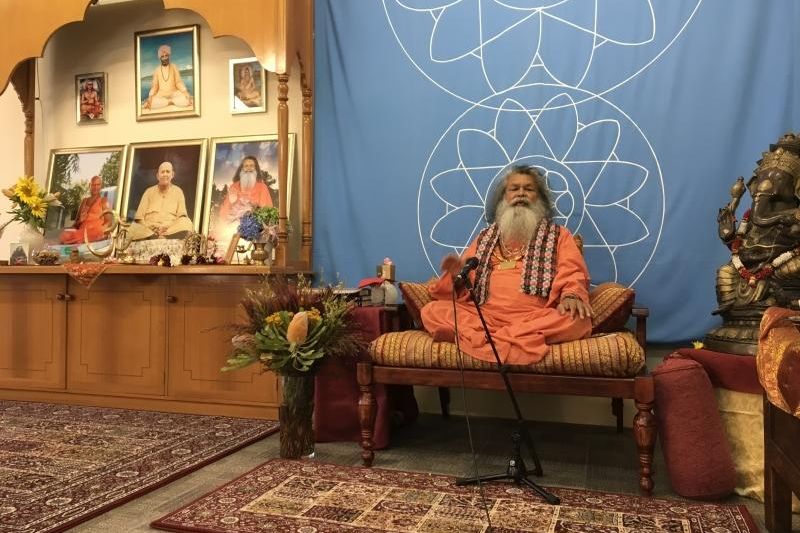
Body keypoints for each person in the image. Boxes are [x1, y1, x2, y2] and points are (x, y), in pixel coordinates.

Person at [421, 165, 593, 366]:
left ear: (540, 198)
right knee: (432, 310)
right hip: (484, 316)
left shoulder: (559, 235)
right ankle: (506, 338)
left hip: (533, 318)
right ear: (504, 197)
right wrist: (456, 275)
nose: (521, 193)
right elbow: (465, 283)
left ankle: (481, 338)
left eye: (529, 189)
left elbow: (572, 270)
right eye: (514, 188)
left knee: (578, 321)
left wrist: (571, 295)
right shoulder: (485, 237)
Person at [128, 161, 194, 240]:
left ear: (172, 175)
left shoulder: (178, 192)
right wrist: (148, 227)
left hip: (169, 230)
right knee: (133, 228)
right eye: (162, 172)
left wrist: (168, 228)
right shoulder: (148, 192)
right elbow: (139, 218)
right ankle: (155, 236)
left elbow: (182, 216)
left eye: (168, 172)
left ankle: (164, 235)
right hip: (149, 230)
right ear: (157, 176)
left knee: (187, 223)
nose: (165, 174)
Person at [218, 156, 272, 224]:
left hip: (256, 226)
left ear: (256, 169)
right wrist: (231, 202)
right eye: (246, 166)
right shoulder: (233, 187)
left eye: (251, 166)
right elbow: (223, 215)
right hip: (233, 227)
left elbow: (267, 212)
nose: (249, 168)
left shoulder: (262, 187)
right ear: (242, 169)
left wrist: (252, 209)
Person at [59, 175, 112, 244]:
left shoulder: (104, 201)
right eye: (93, 185)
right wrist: (80, 221)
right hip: (82, 232)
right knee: (64, 234)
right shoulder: (84, 201)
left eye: (98, 185)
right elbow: (75, 224)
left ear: (101, 186)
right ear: (90, 185)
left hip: (95, 232)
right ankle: (78, 239)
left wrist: (101, 232)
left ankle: (78, 239)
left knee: (76, 236)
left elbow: (109, 222)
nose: (95, 187)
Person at [142, 44, 193, 110]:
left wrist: (185, 91)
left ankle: (168, 102)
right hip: (161, 95)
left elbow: (178, 82)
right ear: (160, 58)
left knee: (186, 100)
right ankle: (170, 102)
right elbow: (155, 86)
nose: (165, 58)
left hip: (174, 93)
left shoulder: (174, 67)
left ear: (169, 56)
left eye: (166, 56)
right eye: (162, 56)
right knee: (151, 102)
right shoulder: (157, 70)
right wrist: (150, 96)